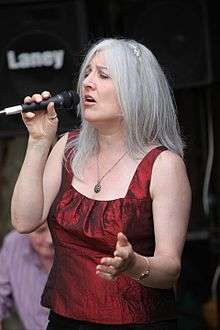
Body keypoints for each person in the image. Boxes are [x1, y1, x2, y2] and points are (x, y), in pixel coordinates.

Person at [11, 38, 191, 329]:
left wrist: (133, 265)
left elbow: (170, 269)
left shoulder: (163, 165)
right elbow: (24, 220)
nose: (87, 84)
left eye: (104, 75)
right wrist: (39, 141)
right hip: (64, 320)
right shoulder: (67, 148)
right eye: (87, 73)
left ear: (136, 92)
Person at [0, 222, 54, 330]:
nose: (50, 240)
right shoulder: (13, 246)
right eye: (40, 231)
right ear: (27, 230)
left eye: (56, 228)